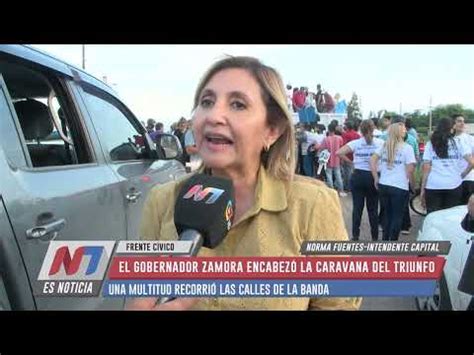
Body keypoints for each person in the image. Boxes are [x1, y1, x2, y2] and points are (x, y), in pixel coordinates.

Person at [126, 56, 361, 311]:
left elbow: (337, 305)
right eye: (206, 102)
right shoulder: (163, 201)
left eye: (237, 104)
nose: (214, 115)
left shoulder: (312, 205)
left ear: (272, 130)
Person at [338, 120, 384, 241]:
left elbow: (339, 152)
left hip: (358, 175)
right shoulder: (381, 143)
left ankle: (355, 235)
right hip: (374, 176)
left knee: (357, 208)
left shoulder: (356, 143)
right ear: (373, 129)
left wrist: (351, 162)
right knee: (373, 209)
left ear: (361, 130)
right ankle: (374, 237)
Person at [370, 121, 416, 241]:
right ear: (400, 133)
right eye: (404, 130)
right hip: (399, 186)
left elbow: (372, 160)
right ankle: (393, 241)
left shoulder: (385, 146)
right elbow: (410, 169)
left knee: (387, 215)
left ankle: (385, 239)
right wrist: (412, 184)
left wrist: (376, 177)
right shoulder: (407, 148)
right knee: (397, 216)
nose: (405, 131)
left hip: (384, 184)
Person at [421, 117, 474, 214]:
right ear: (451, 128)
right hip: (453, 184)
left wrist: (422, 189)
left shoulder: (431, 144)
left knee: (433, 217)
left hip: (433, 185)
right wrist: (462, 175)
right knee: (450, 217)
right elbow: (472, 162)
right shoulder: (458, 142)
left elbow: (426, 168)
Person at [319, 122, 346, 196]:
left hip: (328, 159)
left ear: (328, 130)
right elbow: (341, 148)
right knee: (338, 175)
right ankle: (341, 191)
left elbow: (322, 149)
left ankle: (331, 191)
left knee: (329, 176)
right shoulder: (339, 138)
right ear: (335, 130)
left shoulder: (326, 139)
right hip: (337, 159)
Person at [453, 114, 474, 204]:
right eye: (459, 121)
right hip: (452, 180)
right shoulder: (449, 139)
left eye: (463, 121)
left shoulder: (470, 139)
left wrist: (463, 174)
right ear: (453, 124)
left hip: (468, 179)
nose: (462, 124)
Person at [341, 120, 361, 192]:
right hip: (356, 156)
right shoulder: (358, 135)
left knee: (347, 173)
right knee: (353, 172)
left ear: (347, 126)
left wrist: (342, 158)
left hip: (347, 157)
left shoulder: (345, 135)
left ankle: (348, 187)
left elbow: (343, 146)